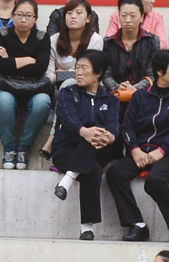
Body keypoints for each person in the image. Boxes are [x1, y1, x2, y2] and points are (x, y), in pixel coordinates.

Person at [107, 51, 169, 243]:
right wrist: (134, 149)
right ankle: (137, 224)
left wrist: (163, 150)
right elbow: (127, 126)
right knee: (115, 173)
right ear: (159, 72)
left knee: (155, 181)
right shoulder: (140, 96)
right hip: (141, 151)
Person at [53, 52, 123, 238]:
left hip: (99, 149)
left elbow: (113, 126)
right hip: (67, 150)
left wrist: (110, 136)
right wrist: (84, 131)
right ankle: (87, 228)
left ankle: (67, 180)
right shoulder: (68, 93)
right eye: (77, 68)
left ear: (98, 73)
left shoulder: (111, 99)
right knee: (93, 170)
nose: (78, 72)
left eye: (84, 68)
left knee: (96, 135)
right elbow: (68, 119)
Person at [0, 0, 53, 170]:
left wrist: (10, 60)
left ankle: (23, 147)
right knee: (4, 101)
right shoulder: (2, 34)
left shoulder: (42, 37)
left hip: (35, 86)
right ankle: (9, 148)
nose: (23, 19)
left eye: (28, 16)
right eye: (19, 15)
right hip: (5, 85)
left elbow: (40, 69)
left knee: (43, 102)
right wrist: (28, 59)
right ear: (12, 16)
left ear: (35, 18)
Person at [101, 0, 159, 93]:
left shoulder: (151, 41)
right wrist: (118, 88)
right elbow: (106, 75)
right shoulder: (109, 43)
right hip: (115, 94)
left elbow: (152, 74)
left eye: (133, 16)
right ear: (119, 16)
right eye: (124, 15)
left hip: (144, 94)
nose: (128, 20)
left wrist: (134, 89)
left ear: (141, 17)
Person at [47, 0, 99, 86]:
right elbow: (48, 76)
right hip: (55, 87)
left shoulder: (96, 40)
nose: (73, 16)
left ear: (88, 18)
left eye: (78, 13)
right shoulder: (53, 40)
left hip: (86, 87)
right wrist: (71, 74)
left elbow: (91, 74)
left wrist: (62, 75)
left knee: (70, 82)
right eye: (69, 13)